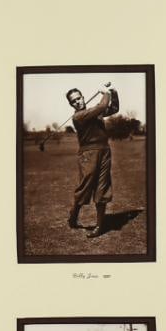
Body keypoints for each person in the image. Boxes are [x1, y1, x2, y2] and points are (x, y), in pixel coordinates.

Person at [65, 84, 120, 238]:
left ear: (83, 97)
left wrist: (114, 93)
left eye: (79, 98)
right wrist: (105, 93)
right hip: (88, 154)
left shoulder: (95, 113)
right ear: (71, 104)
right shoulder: (78, 117)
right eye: (74, 101)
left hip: (104, 151)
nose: (77, 102)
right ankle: (73, 215)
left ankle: (99, 226)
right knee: (85, 187)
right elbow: (102, 105)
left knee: (102, 187)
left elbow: (114, 108)